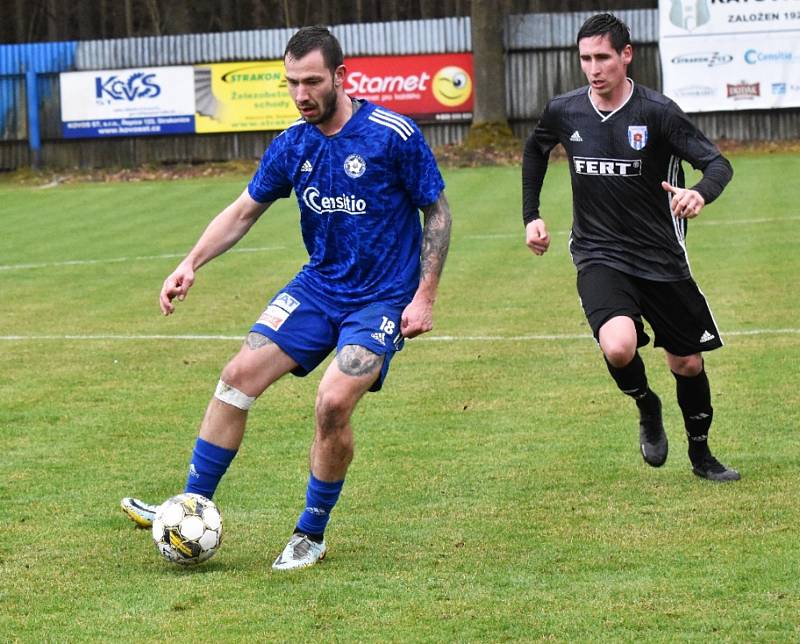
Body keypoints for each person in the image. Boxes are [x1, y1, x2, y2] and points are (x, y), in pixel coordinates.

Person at [121, 25, 452, 569]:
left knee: (332, 401)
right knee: (235, 381)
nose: (302, 94)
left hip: (381, 299)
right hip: (318, 287)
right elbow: (243, 211)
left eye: (313, 81)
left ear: (341, 77)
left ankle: (311, 533)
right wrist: (189, 263)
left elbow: (436, 211)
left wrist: (426, 296)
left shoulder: (392, 135)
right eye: (292, 82)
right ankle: (189, 503)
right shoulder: (292, 144)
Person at [521, 13, 739, 481]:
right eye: (585, 59)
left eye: (603, 57)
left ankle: (701, 455)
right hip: (599, 254)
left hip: (661, 257)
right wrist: (532, 215)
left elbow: (717, 164)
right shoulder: (566, 110)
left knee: (687, 362)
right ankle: (646, 403)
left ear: (626, 55)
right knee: (618, 347)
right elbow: (536, 150)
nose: (594, 68)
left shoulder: (657, 112)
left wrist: (698, 192)